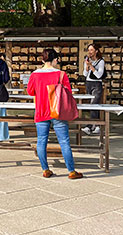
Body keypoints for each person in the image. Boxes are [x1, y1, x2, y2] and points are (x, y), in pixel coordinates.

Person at [27, 48, 83, 179]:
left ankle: (45, 169)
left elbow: (30, 91)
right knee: (64, 141)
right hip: (58, 112)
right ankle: (71, 171)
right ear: (55, 59)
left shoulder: (35, 74)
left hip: (41, 111)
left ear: (42, 60)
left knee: (41, 141)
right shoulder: (61, 74)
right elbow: (68, 92)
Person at [82, 43, 105, 135]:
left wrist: (91, 66)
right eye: (89, 50)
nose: (90, 52)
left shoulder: (101, 61)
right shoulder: (87, 60)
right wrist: (87, 67)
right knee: (92, 105)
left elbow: (99, 75)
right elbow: (84, 74)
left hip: (97, 84)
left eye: (91, 50)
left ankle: (90, 126)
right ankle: (97, 126)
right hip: (88, 83)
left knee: (93, 104)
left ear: (96, 51)